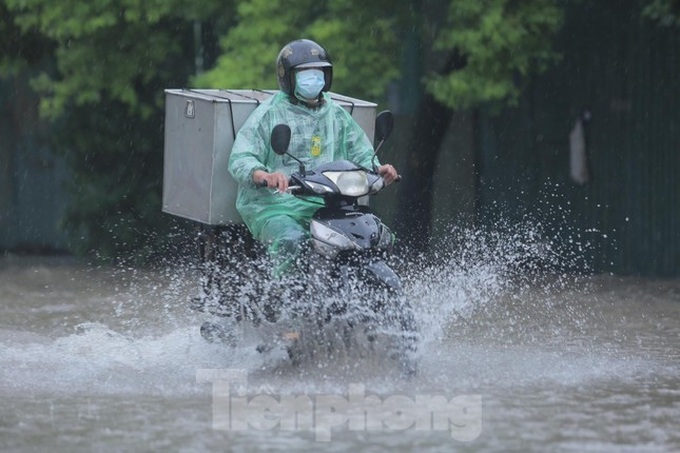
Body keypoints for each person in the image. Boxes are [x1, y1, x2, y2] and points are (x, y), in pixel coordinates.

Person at [228, 39, 398, 277]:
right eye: (305, 74)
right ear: (288, 78)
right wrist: (265, 175)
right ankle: (285, 297)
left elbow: (361, 150)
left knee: (375, 234)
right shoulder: (269, 113)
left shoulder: (336, 114)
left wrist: (378, 169)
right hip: (275, 205)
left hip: (326, 202)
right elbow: (241, 157)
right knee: (293, 240)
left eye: (319, 74)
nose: (314, 80)